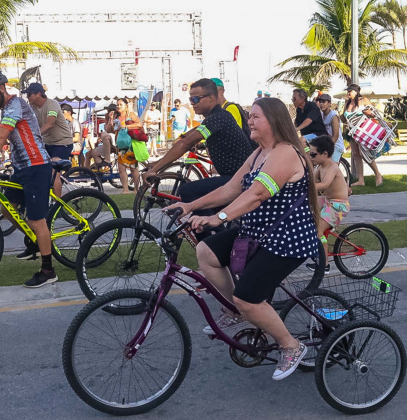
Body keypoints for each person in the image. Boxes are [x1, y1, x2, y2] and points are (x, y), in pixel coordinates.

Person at [166, 97, 319, 381]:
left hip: (284, 239)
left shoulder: (284, 153)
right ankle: (236, 311)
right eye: (250, 116)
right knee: (206, 253)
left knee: (248, 298)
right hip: (257, 232)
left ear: (273, 121)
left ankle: (291, 346)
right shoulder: (261, 152)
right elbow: (230, 189)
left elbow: (257, 194)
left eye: (256, 117)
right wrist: (190, 206)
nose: (249, 121)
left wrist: (218, 218)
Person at [0, 71, 56, 287]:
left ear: (2, 88)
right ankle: (35, 241)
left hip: (36, 166)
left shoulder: (15, 104)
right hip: (21, 167)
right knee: (6, 208)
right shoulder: (6, 108)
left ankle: (48, 270)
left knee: (37, 221)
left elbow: (1, 137)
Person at [144, 78, 254, 233]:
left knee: (189, 191)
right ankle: (217, 238)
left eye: (196, 99)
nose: (192, 103)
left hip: (240, 179)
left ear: (211, 98)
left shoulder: (219, 117)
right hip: (234, 177)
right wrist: (157, 163)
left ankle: (214, 243)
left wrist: (155, 169)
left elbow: (185, 144)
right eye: (190, 99)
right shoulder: (213, 118)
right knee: (199, 204)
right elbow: (186, 138)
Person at [24, 82, 74, 197]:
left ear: (38, 94)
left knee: (54, 172)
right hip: (47, 143)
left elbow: (50, 124)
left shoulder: (52, 104)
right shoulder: (32, 107)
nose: (27, 97)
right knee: (39, 170)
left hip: (62, 143)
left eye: (29, 94)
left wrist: (33, 136)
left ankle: (58, 206)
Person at [308, 135, 350, 270]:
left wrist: (306, 186)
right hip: (328, 202)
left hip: (338, 205)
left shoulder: (332, 167)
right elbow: (311, 181)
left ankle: (324, 264)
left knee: (318, 231)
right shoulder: (320, 167)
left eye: (313, 154)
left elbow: (324, 185)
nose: (311, 157)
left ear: (325, 154)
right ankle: (319, 251)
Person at [343, 84, 383, 187]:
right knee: (356, 155)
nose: (348, 93)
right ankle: (361, 180)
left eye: (350, 91)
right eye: (347, 91)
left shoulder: (363, 100)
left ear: (356, 91)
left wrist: (368, 113)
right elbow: (344, 118)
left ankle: (378, 174)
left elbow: (374, 113)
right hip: (351, 131)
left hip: (363, 130)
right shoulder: (347, 103)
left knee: (365, 154)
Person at [104, 99, 142, 193]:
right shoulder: (117, 116)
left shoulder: (130, 114)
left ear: (126, 105)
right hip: (120, 145)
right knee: (121, 168)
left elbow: (139, 124)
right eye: (118, 105)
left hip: (129, 144)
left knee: (133, 168)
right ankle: (125, 189)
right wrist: (111, 119)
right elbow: (109, 130)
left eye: (121, 105)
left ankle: (136, 189)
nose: (119, 107)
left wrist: (126, 126)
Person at [212, 77, 255, 148]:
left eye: (214, 91)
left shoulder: (230, 108)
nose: (211, 95)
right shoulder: (219, 109)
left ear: (222, 91)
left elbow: (233, 134)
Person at [316, 93, 345, 164]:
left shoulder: (333, 116)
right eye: (320, 102)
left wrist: (328, 148)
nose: (321, 104)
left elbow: (335, 136)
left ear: (329, 103)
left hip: (336, 145)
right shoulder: (321, 115)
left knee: (332, 169)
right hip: (326, 144)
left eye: (324, 102)